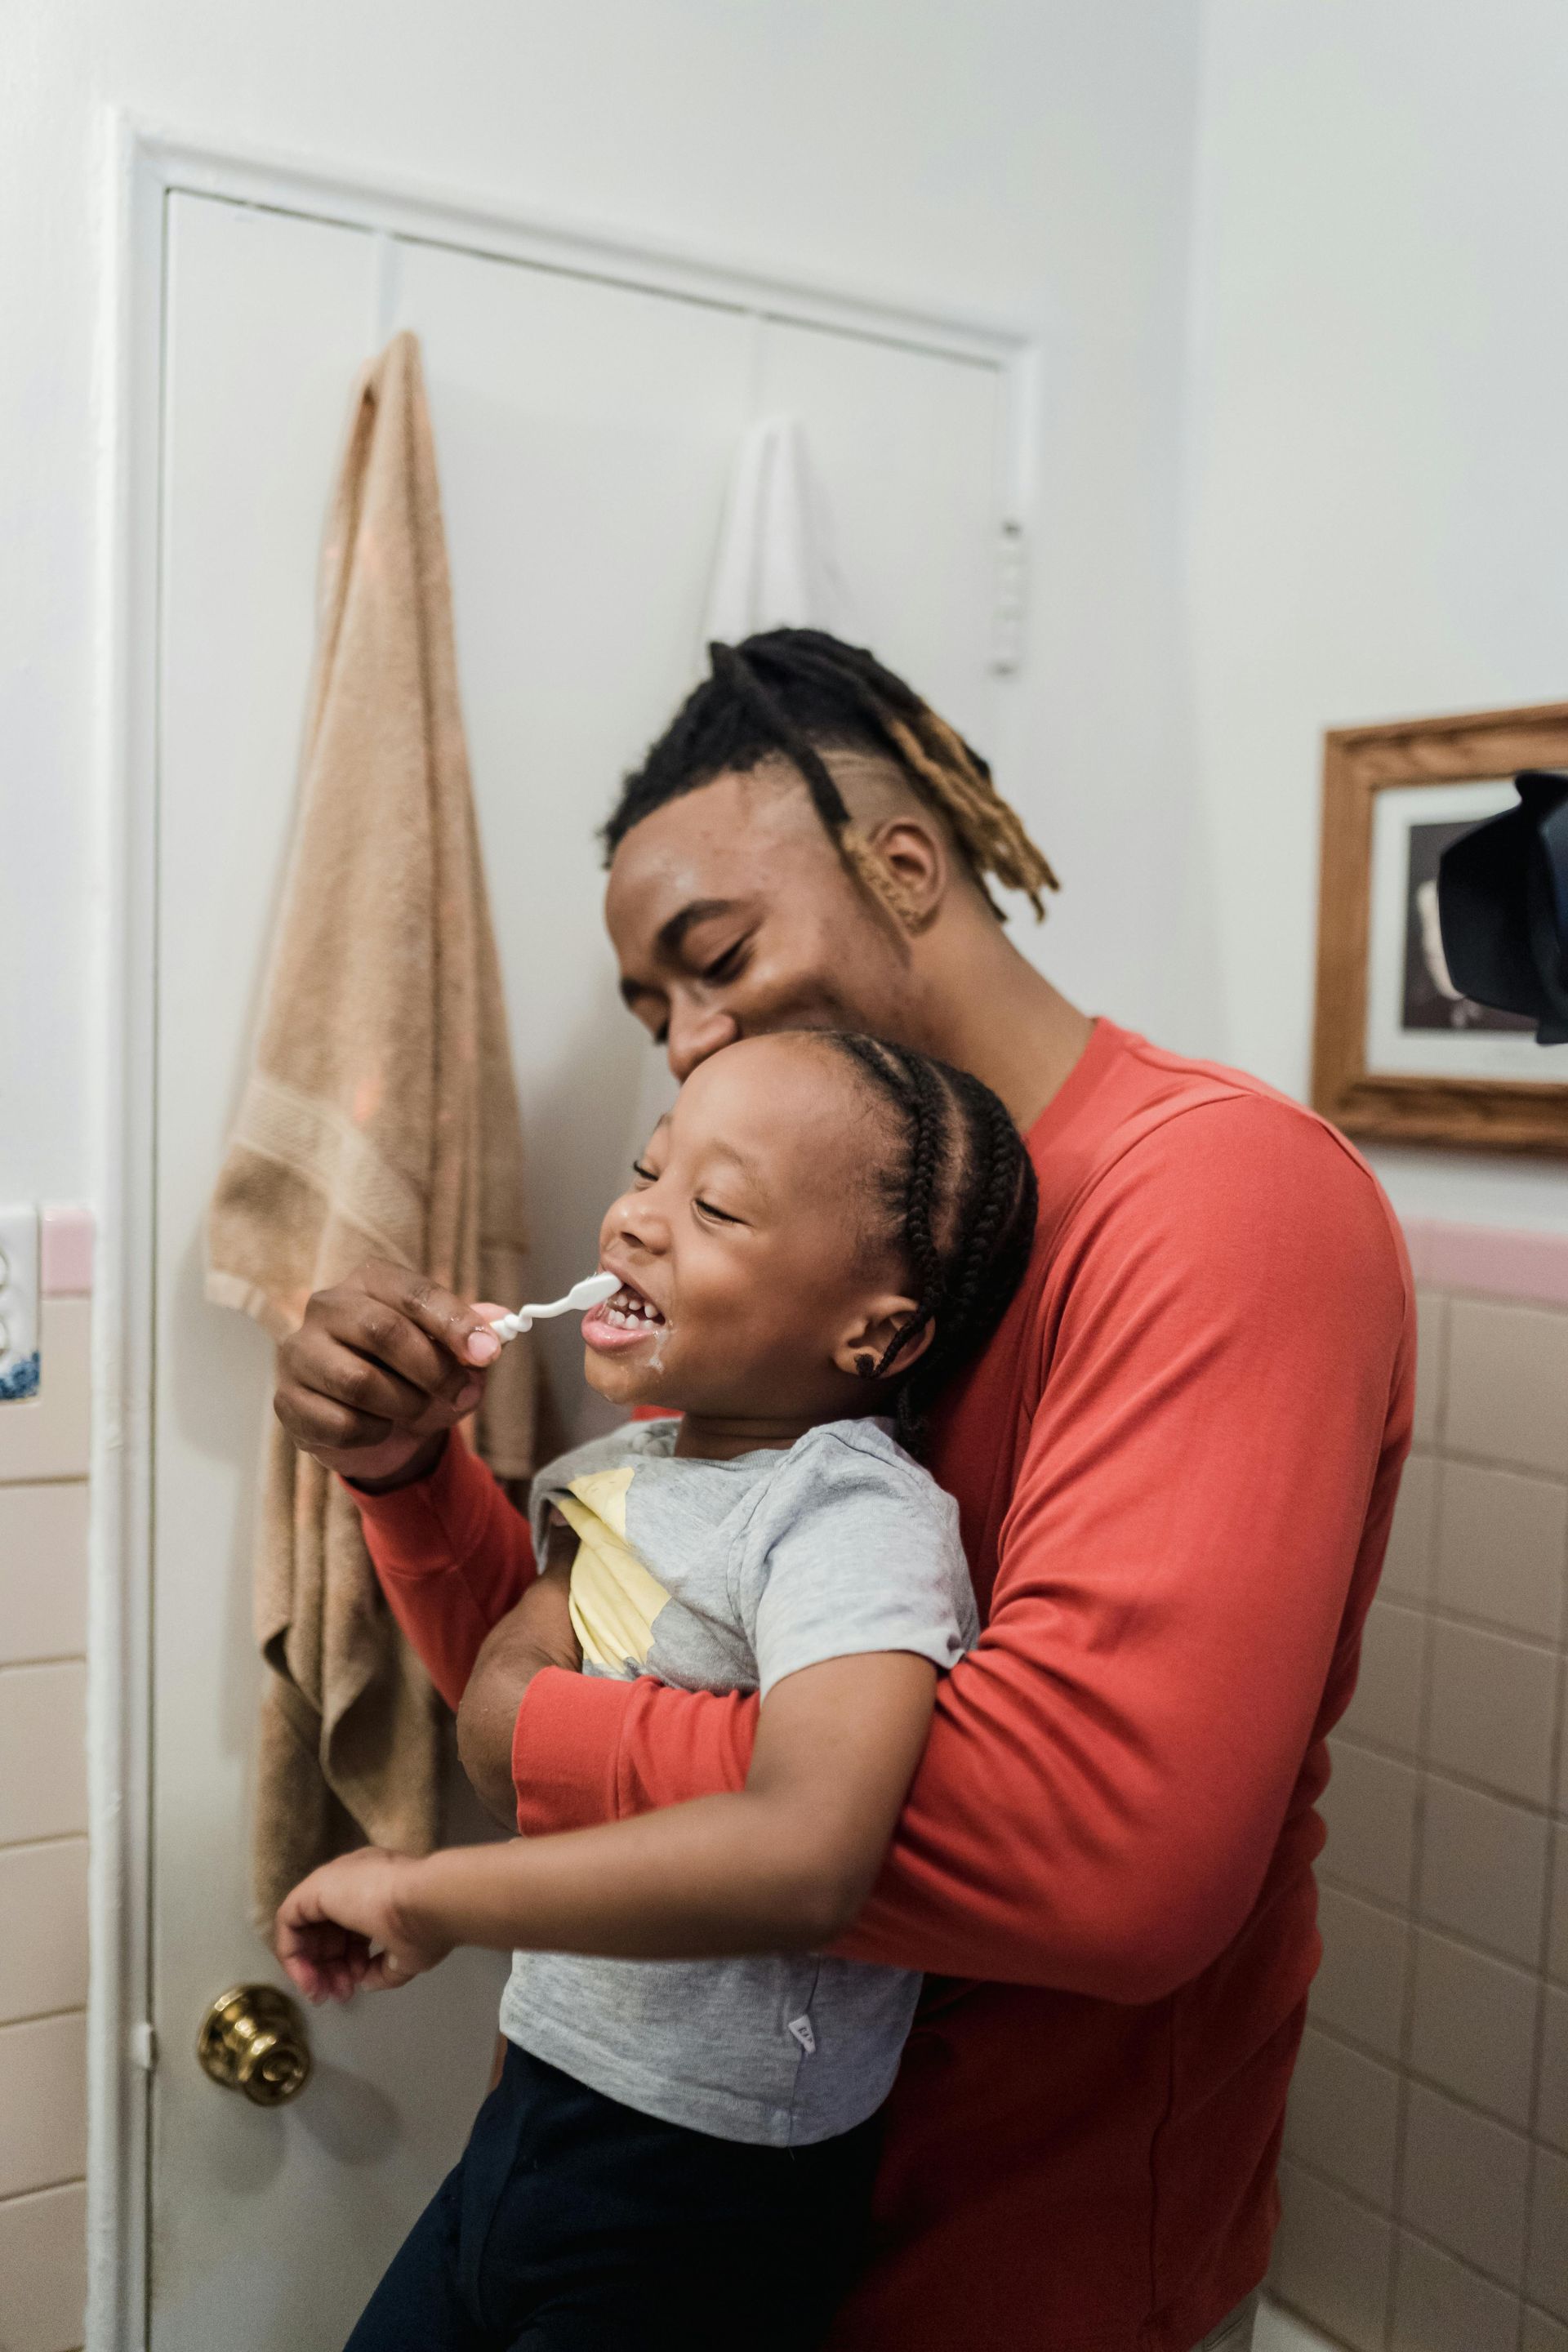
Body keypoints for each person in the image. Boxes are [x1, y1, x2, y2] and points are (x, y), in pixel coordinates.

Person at [274, 630, 1415, 2352]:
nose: (689, 1043)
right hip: (669, 2194)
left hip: (1019, 2264)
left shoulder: (1222, 1203)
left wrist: (546, 1736)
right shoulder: (796, 1265)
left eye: (714, 959)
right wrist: (408, 1474)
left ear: (904, 865)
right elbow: (607, 1641)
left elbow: (1108, 1863)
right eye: (654, 1014)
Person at [275, 1027, 1037, 2352]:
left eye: (716, 1204)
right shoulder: (625, 1473)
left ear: (877, 1332)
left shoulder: (852, 1517)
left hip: (708, 2195)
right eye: (648, 1171)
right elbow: (501, 1712)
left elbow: (810, 1856)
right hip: (536, 2116)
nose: (634, 1218)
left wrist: (421, 1893)